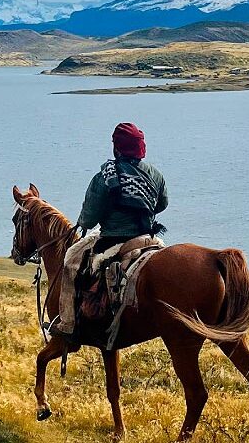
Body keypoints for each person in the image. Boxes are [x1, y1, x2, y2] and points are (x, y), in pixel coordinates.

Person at [51, 122, 168, 337]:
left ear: (117, 148)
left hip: (114, 240)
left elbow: (89, 218)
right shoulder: (155, 175)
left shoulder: (106, 176)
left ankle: (67, 324)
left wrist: (85, 222)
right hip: (147, 238)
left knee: (70, 262)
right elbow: (162, 204)